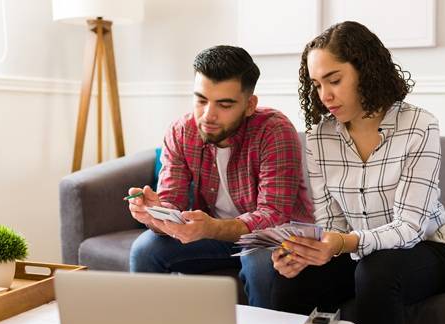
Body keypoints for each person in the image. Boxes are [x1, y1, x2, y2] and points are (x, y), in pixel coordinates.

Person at [270, 22, 445, 324]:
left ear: (365, 69)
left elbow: (410, 227)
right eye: (316, 84)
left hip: (431, 248)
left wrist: (342, 242)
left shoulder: (419, 124)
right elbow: (330, 221)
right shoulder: (318, 138)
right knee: (290, 276)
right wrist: (307, 252)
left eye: (334, 79)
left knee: (377, 272)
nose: (325, 94)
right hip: (357, 250)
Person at [127, 45, 313, 308]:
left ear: (250, 105)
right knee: (145, 250)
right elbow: (172, 203)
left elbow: (273, 214)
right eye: (201, 100)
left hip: (271, 237)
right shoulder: (182, 132)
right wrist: (155, 215)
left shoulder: (274, 131)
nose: (208, 115)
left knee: (258, 261)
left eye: (224, 105)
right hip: (214, 236)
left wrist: (212, 227)